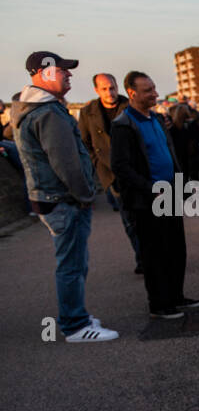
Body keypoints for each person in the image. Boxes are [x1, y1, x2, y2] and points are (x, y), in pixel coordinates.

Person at [11, 50, 119, 341]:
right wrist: (85, 195)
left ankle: (75, 315)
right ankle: (75, 325)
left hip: (50, 198)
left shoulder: (31, 108)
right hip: (63, 201)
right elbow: (66, 162)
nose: (69, 74)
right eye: (63, 70)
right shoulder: (47, 112)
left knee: (71, 262)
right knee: (71, 264)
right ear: (44, 73)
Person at [111, 71, 199, 320]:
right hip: (148, 198)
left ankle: (176, 296)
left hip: (170, 192)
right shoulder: (123, 125)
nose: (155, 94)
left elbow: (169, 154)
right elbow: (121, 166)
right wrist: (150, 188)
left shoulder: (157, 119)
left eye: (153, 88)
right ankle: (159, 304)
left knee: (176, 248)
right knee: (155, 253)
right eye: (148, 90)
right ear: (132, 94)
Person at [78, 73, 141, 272]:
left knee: (148, 217)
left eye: (112, 87)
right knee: (129, 220)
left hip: (138, 169)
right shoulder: (88, 112)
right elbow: (84, 143)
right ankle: (143, 259)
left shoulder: (130, 106)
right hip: (111, 174)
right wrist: (98, 163)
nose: (110, 92)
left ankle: (153, 256)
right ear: (96, 90)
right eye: (104, 88)